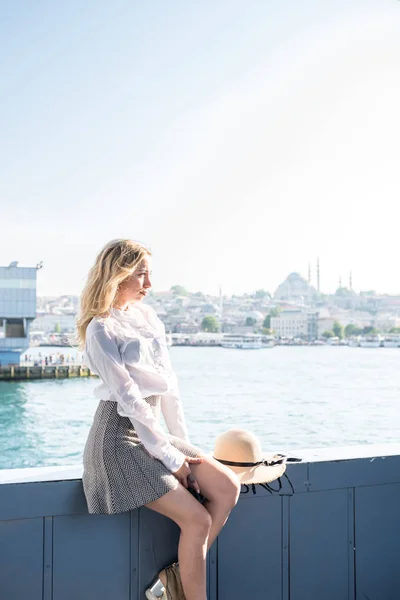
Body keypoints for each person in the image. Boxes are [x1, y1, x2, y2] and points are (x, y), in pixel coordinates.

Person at [76, 239, 240, 600]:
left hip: (151, 433)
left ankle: (173, 582)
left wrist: (184, 444)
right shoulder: (99, 329)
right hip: (117, 440)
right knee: (197, 520)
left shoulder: (148, 317)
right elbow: (130, 399)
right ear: (117, 275)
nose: (149, 285)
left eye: (149, 274)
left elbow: (169, 387)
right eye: (141, 275)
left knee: (227, 488)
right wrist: (173, 459)